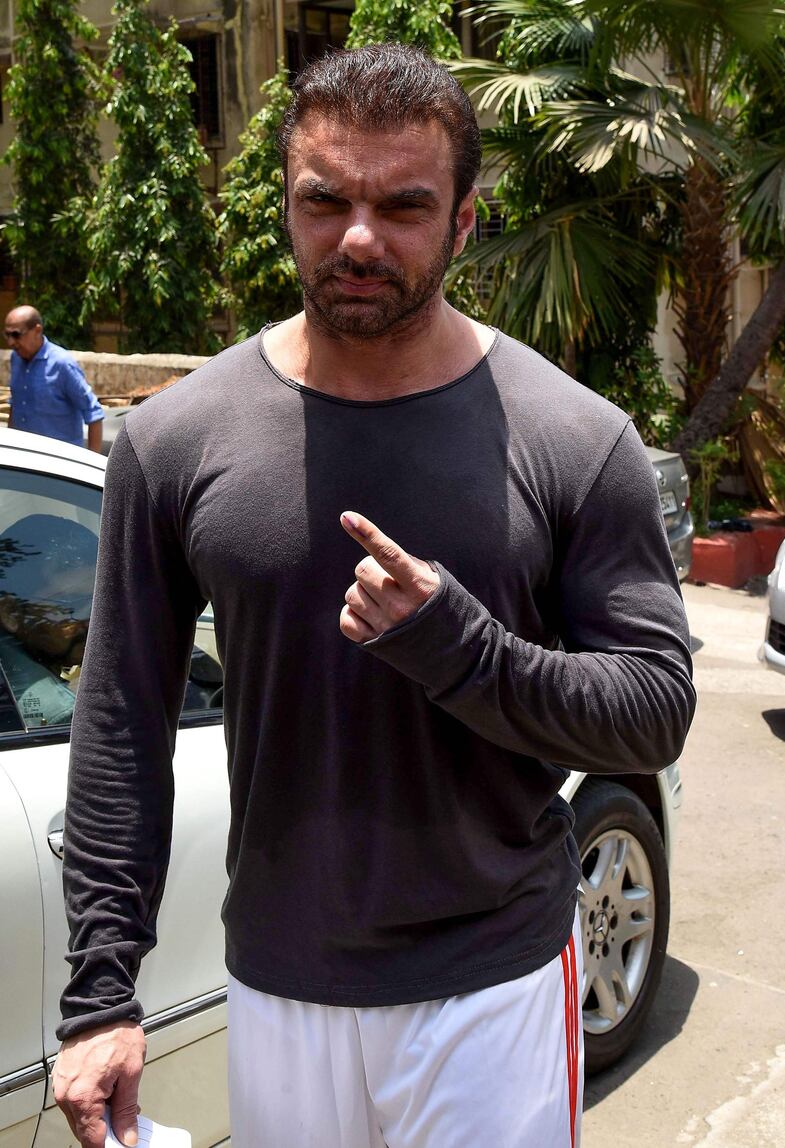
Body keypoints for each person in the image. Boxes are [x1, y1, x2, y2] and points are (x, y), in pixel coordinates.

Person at [52, 43, 695, 1148]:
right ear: (284, 205)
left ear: (461, 221)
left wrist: (464, 650)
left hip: (493, 982)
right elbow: (119, 725)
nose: (358, 237)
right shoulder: (172, 444)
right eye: (324, 200)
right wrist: (100, 992)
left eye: (402, 205)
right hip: (278, 983)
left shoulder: (573, 440)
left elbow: (651, 705)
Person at [5, 305, 104, 451]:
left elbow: (94, 413)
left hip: (59, 465)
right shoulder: (16, 359)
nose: (11, 342)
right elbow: (16, 404)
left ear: (37, 330)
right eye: (7, 335)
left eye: (16, 335)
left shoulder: (61, 364)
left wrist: (95, 467)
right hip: (24, 461)